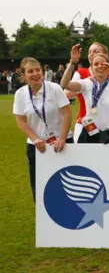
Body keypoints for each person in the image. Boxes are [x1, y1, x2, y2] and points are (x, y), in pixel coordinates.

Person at [13, 58, 72, 201]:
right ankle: (43, 221)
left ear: (42, 71)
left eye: (37, 70)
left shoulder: (54, 88)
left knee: (68, 185)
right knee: (40, 186)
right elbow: (20, 120)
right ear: (23, 75)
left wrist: (62, 138)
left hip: (62, 144)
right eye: (30, 71)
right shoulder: (20, 94)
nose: (35, 74)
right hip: (37, 146)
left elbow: (67, 113)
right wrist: (35, 138)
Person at [60, 52, 109, 144]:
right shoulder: (86, 83)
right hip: (90, 135)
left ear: (108, 65)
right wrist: (72, 63)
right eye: (96, 64)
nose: (99, 66)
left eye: (103, 64)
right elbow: (64, 84)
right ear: (92, 67)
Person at [65, 42, 109, 143]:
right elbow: (66, 94)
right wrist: (86, 83)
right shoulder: (82, 73)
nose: (91, 54)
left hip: (107, 125)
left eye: (95, 51)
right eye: (90, 52)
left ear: (106, 55)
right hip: (86, 123)